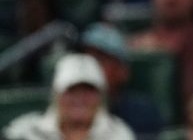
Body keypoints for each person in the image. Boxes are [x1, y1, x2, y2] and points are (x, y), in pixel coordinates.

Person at [3, 53, 135, 140]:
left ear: (101, 97)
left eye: (88, 90)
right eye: (71, 90)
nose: (80, 99)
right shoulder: (25, 132)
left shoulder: (119, 135)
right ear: (56, 95)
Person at [80, 22, 163, 138]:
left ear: (123, 72)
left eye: (100, 60)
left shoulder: (141, 113)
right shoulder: (70, 110)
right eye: (88, 58)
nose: (91, 66)